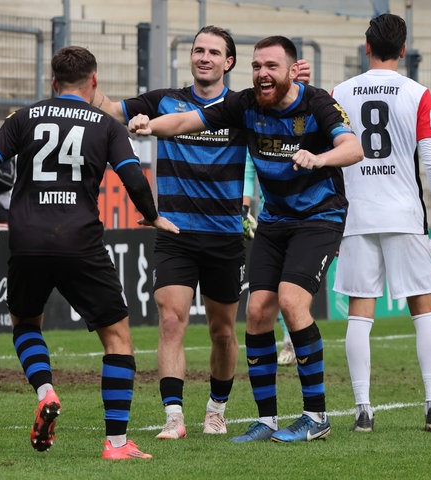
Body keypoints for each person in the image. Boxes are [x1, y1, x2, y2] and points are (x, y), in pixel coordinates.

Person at [129, 35, 364, 443]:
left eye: (271, 66)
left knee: (291, 302)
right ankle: (267, 420)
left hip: (318, 217)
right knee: (257, 313)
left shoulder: (318, 104)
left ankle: (316, 415)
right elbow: (188, 120)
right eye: (257, 66)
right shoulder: (244, 104)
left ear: (293, 71)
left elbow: (353, 147)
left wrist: (318, 157)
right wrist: (152, 126)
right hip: (274, 219)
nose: (262, 74)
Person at [93, 26, 311, 438]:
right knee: (171, 320)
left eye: (214, 52)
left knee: (223, 331)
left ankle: (216, 408)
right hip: (176, 232)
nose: (204, 57)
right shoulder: (163, 100)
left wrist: (296, 86)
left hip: (225, 235)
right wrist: (88, 87)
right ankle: (173, 416)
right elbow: (109, 108)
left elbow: (293, 119)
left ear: (229, 62)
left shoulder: (243, 108)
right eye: (198, 50)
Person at [0, 46, 179, 460]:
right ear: (94, 82)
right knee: (117, 339)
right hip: (80, 242)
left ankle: (46, 389)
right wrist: (152, 216)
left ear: (53, 83)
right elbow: (133, 180)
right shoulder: (107, 126)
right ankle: (117, 444)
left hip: (28, 241)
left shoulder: (26, 117)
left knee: (25, 323)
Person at [332, 13, 431, 433]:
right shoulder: (418, 93)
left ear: (366, 48)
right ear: (403, 50)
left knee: (359, 313)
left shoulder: (340, 92)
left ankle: (363, 411)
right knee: (422, 306)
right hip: (403, 212)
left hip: (357, 212)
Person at [242, 150, 295, 366]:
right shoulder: (256, 127)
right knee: (270, 288)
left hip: (302, 218)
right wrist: (243, 210)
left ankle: (292, 340)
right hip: (269, 222)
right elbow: (248, 170)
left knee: (289, 287)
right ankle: (288, 340)